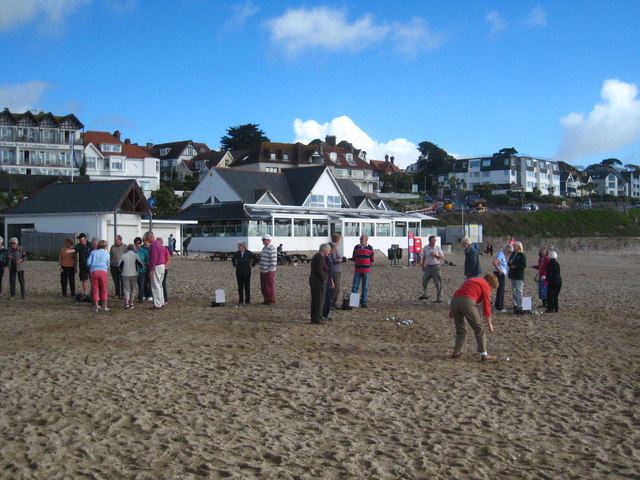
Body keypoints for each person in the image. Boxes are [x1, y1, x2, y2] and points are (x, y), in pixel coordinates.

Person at [449, 273, 499, 361]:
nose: (491, 289)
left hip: (454, 300)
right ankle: (484, 354)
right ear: (490, 283)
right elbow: (486, 307)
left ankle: (457, 352)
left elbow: (460, 292)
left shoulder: (471, 280)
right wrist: (490, 324)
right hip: (467, 302)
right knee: (479, 329)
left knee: (461, 329)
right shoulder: (485, 285)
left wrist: (452, 310)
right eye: (492, 287)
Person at [309, 243, 331, 324]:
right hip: (318, 281)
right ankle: (318, 318)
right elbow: (319, 270)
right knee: (320, 300)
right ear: (325, 250)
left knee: (315, 299)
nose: (329, 253)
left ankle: (314, 317)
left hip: (314, 280)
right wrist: (324, 279)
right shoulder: (320, 257)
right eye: (328, 251)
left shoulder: (316, 256)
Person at [419, 235, 444, 303]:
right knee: (424, 281)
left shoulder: (438, 247)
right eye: (433, 240)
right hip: (428, 266)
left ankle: (439, 298)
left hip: (436, 266)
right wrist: (423, 265)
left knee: (438, 283)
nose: (434, 241)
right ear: (430, 240)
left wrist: (436, 255)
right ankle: (425, 294)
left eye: (435, 240)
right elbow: (423, 256)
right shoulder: (425, 248)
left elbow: (442, 256)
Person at [86, 239, 110, 312]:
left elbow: (88, 262)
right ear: (105, 246)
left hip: (94, 271)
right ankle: (105, 306)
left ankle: (96, 307)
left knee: (95, 288)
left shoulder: (93, 252)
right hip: (103, 271)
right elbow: (108, 264)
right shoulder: (107, 254)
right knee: (104, 288)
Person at [351, 233, 374, 308]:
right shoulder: (356, 247)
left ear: (366, 240)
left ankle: (363, 301)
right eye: (360, 239)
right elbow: (354, 257)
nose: (361, 240)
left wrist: (367, 263)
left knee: (365, 287)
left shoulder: (370, 248)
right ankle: (354, 303)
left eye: (362, 239)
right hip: (357, 270)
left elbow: (372, 259)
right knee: (355, 286)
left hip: (366, 270)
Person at [146, 231, 166, 309]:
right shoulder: (158, 243)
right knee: (160, 285)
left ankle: (157, 304)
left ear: (151, 237)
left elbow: (154, 258)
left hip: (157, 266)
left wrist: (151, 269)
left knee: (155, 285)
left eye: (148, 238)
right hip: (162, 265)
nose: (147, 240)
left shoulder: (154, 245)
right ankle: (161, 301)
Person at [492, 244, 514, 313]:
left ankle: (497, 305)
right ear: (506, 250)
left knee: (500, 290)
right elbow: (494, 262)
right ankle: (499, 307)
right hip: (499, 274)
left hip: (500, 274)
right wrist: (499, 270)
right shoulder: (501, 254)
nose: (509, 253)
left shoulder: (502, 255)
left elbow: (501, 264)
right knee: (501, 290)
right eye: (509, 252)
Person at [120, 243, 142, 309]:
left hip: (125, 274)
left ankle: (126, 303)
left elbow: (120, 265)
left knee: (126, 289)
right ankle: (131, 303)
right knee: (133, 289)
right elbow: (141, 264)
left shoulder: (123, 255)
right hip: (134, 274)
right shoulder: (136, 255)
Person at [508, 241, 526, 314]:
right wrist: (510, 264)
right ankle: (515, 303)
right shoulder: (513, 254)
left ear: (518, 247)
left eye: (515, 246)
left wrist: (515, 266)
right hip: (512, 274)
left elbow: (523, 265)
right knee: (514, 290)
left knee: (519, 290)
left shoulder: (521, 255)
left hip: (518, 275)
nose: (513, 247)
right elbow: (509, 262)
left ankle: (520, 304)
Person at [260, 234, 277, 305]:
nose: (263, 241)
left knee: (269, 285)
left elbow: (273, 261)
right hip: (263, 270)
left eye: (264, 240)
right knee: (263, 286)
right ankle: (266, 299)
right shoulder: (264, 248)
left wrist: (270, 270)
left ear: (268, 240)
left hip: (268, 271)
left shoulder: (272, 248)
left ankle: (271, 300)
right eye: (262, 240)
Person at [329, 232, 345, 309]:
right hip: (335, 269)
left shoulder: (332, 246)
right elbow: (333, 259)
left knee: (335, 287)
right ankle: (331, 303)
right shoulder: (333, 247)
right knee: (336, 287)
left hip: (336, 269)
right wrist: (341, 260)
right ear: (337, 240)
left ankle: (332, 303)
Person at [322, 242, 337, 320]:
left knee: (328, 297)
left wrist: (331, 280)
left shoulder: (329, 257)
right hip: (326, 279)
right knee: (326, 298)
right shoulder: (326, 258)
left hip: (329, 279)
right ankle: (323, 314)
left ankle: (325, 314)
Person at [133, 237, 150, 302]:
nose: (137, 244)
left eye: (139, 243)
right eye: (136, 243)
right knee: (135, 284)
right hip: (134, 270)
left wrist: (142, 264)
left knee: (142, 284)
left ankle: (141, 297)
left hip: (142, 270)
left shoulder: (144, 251)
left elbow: (147, 260)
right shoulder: (133, 251)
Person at [159, 237, 171, 305]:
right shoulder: (156, 249)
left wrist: (164, 265)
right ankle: (160, 298)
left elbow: (168, 259)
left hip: (164, 268)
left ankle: (165, 298)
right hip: (158, 268)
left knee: (163, 283)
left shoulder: (165, 249)